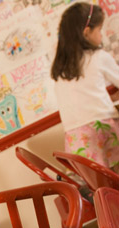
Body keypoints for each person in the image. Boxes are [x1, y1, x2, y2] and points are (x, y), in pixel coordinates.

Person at [51, 2, 119, 173]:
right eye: (99, 30)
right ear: (86, 32)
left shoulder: (60, 67)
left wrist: (107, 98)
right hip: (102, 129)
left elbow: (84, 96)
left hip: (75, 138)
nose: (101, 35)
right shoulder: (98, 57)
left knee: (101, 186)